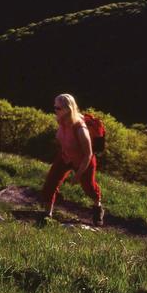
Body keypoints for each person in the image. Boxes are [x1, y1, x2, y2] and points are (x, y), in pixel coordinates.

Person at [42, 93, 104, 226]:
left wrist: (78, 174)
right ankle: (47, 216)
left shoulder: (81, 129)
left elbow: (88, 154)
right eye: (55, 107)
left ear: (68, 109)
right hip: (65, 156)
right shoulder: (61, 120)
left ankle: (97, 205)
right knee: (50, 184)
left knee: (89, 188)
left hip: (83, 161)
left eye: (58, 108)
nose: (55, 110)